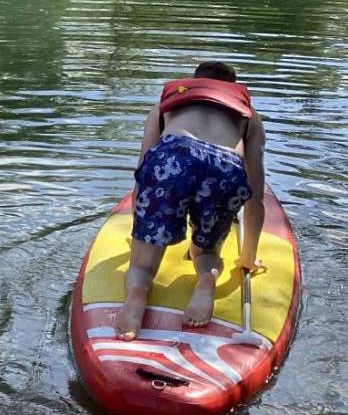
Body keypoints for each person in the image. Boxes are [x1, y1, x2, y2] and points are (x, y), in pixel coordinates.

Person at [114, 61, 267, 340]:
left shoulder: (167, 103)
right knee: (207, 253)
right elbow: (255, 195)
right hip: (223, 165)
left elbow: (144, 172)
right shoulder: (249, 115)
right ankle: (207, 278)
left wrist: (143, 230)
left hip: (173, 156)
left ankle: (137, 295)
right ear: (233, 87)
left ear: (194, 81)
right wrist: (248, 256)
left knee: (143, 264)